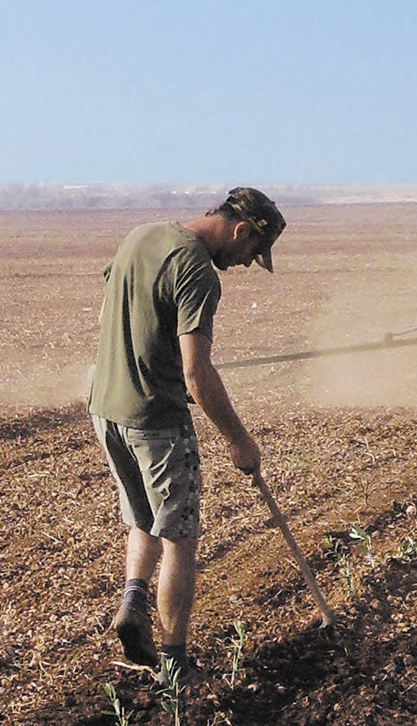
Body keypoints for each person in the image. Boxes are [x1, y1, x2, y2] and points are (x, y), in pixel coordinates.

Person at [87, 187, 286, 684]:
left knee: (145, 516)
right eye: (250, 253)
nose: (244, 264)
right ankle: (175, 666)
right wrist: (239, 440)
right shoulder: (196, 269)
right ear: (240, 230)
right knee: (181, 538)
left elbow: (113, 316)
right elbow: (198, 374)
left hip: (107, 409)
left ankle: (133, 600)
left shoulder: (142, 236)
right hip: (156, 421)